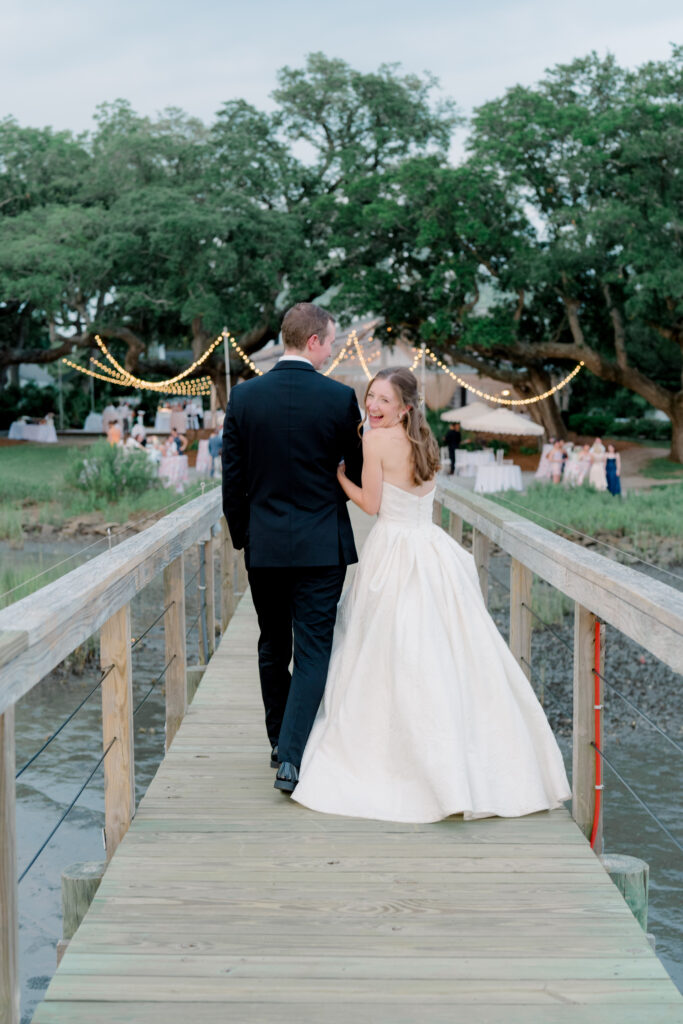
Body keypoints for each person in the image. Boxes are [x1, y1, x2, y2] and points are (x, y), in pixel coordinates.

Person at [292, 367, 570, 823]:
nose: (373, 406)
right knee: (442, 652)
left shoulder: (376, 441)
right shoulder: (426, 440)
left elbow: (371, 505)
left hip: (394, 550)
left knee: (385, 650)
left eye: (383, 399)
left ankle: (399, 757)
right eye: (370, 397)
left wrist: (340, 476)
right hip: (431, 549)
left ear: (404, 406)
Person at [222, 302, 363, 793]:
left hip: (264, 546)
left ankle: (280, 743)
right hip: (322, 545)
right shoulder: (339, 399)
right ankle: (294, 757)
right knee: (313, 649)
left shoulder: (243, 398)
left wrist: (245, 538)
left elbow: (232, 482)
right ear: (314, 342)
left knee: (271, 644)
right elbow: (358, 473)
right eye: (332, 340)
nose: (334, 349)